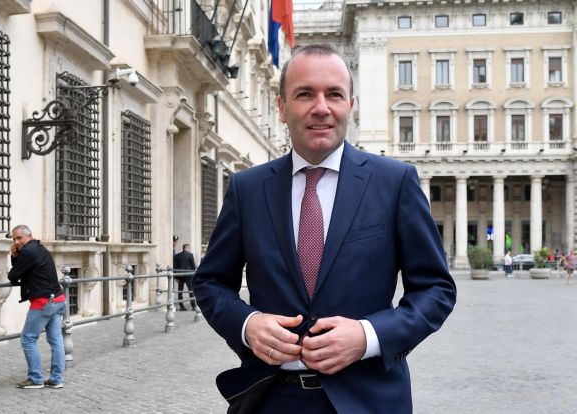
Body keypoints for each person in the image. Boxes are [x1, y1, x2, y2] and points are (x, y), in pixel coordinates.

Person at [193, 44, 456, 413]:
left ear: (350, 105)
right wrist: (247, 324)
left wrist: (368, 336)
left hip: (368, 400)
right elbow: (210, 282)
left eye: (334, 94)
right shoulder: (247, 189)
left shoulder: (395, 183)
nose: (321, 107)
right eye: (305, 94)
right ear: (282, 107)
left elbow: (435, 289)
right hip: (270, 399)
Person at [8, 225, 66, 389]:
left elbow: (14, 275)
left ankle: (35, 379)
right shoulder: (40, 248)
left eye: (19, 238)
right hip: (58, 299)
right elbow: (22, 270)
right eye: (14, 239)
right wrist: (16, 256)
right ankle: (56, 379)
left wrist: (14, 256)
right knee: (56, 340)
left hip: (44, 302)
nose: (16, 242)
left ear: (29, 236)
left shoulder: (28, 251)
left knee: (28, 339)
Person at [173, 243, 197, 311]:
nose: (190, 249)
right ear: (186, 247)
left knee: (180, 291)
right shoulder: (190, 255)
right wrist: (194, 275)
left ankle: (181, 306)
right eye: (189, 248)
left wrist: (176, 277)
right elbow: (193, 266)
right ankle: (193, 306)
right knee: (191, 290)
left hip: (180, 276)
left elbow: (175, 267)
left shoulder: (177, 255)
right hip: (188, 275)